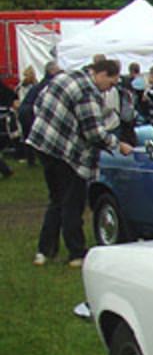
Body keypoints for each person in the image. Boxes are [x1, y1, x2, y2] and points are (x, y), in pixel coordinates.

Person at [27, 58, 134, 266]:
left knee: (56, 199)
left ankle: (44, 251)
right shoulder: (88, 92)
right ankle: (76, 252)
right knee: (72, 202)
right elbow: (94, 132)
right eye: (110, 83)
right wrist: (118, 144)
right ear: (102, 74)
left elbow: (38, 103)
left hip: (43, 143)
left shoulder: (65, 77)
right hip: (66, 153)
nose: (108, 89)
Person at [18, 61, 60, 166]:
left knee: (28, 136)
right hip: (30, 110)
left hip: (23, 109)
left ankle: (31, 161)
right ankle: (45, 161)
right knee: (39, 136)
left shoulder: (42, 82)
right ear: (52, 71)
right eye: (58, 70)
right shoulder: (50, 83)